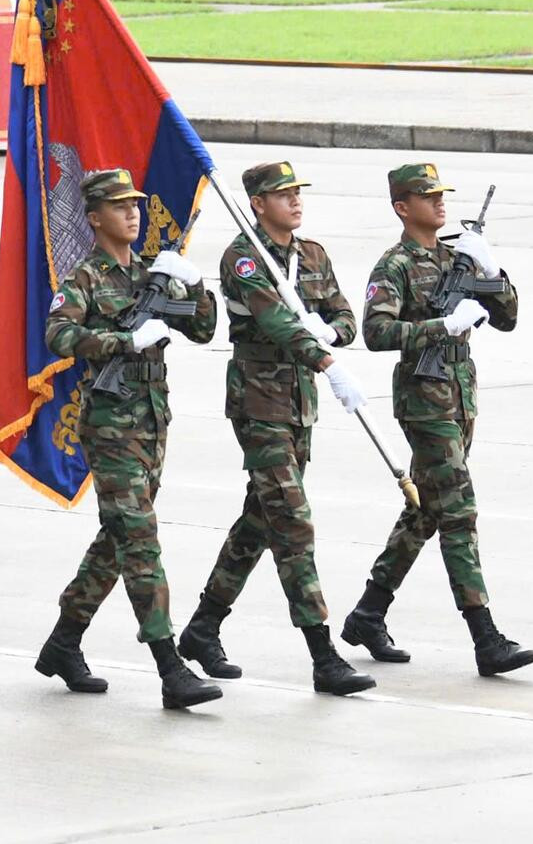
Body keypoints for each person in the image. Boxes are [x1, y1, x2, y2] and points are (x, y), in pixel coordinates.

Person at [174, 161, 377, 697]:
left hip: (299, 407)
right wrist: (327, 363)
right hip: (259, 404)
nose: (294, 201)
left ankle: (201, 628)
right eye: (280, 194)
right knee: (292, 523)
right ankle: (323, 655)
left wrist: (330, 329)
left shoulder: (313, 255)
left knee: (260, 520)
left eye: (295, 192)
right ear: (258, 204)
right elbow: (275, 322)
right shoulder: (243, 257)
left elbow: (346, 316)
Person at [341, 163, 533, 677]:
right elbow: (377, 331)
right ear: (402, 207)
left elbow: (509, 318)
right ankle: (485, 636)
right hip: (423, 402)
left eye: (440, 194)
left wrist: (492, 274)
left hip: (460, 397)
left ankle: (368, 612)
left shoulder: (458, 257)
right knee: (459, 511)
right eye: (426, 196)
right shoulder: (395, 266)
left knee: (426, 510)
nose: (439, 202)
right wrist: (440, 325)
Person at [35, 168, 221, 710]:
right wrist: (121, 340)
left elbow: (204, 329)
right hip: (110, 425)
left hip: (152, 422)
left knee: (118, 539)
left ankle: (63, 642)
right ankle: (169, 666)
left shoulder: (149, 275)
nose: (133, 214)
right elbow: (58, 335)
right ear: (95, 219)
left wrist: (191, 284)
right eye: (120, 207)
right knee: (140, 541)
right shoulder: (85, 279)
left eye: (135, 205)